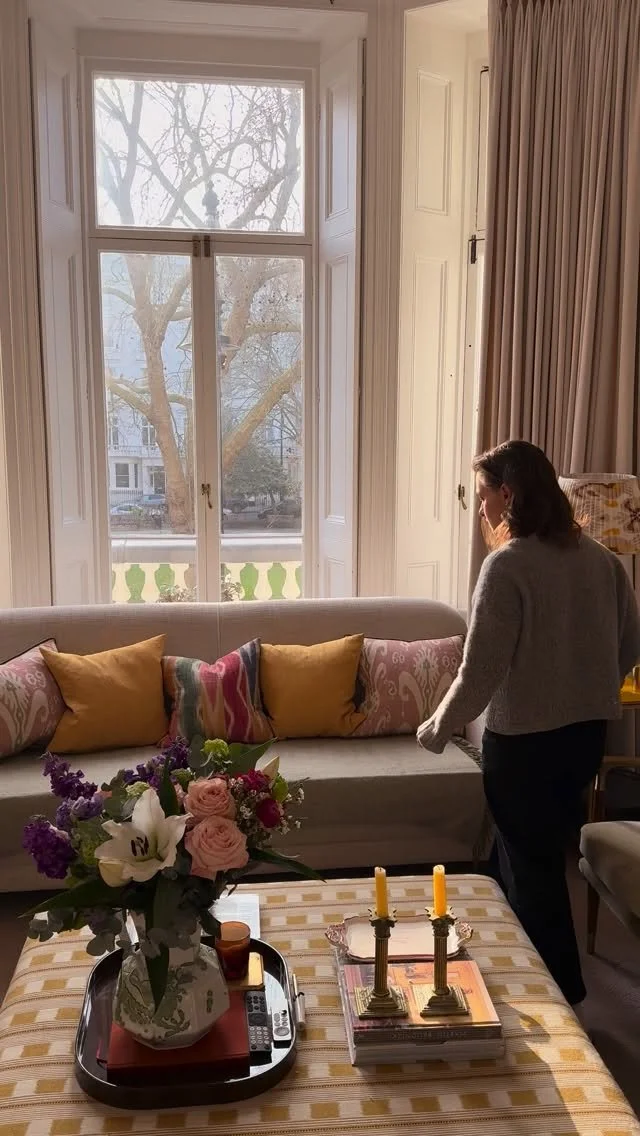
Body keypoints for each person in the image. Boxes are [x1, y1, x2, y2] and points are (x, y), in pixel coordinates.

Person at [417, 440, 640, 1006]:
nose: (482, 507)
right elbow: (631, 641)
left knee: (534, 868)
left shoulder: (507, 565)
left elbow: (480, 671)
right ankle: (507, 963)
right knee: (520, 857)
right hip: (585, 739)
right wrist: (593, 689)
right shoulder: (602, 560)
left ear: (509, 493)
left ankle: (563, 990)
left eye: (485, 494)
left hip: (522, 746)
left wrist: (437, 728)